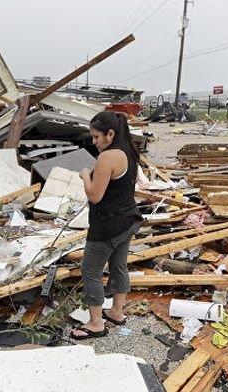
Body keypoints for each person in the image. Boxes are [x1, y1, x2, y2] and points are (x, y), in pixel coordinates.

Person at [70, 111, 142, 340]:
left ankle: (95, 323)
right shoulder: (130, 151)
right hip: (128, 220)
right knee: (119, 266)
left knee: (90, 271)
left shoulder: (107, 157)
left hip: (108, 226)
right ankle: (116, 312)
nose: (93, 142)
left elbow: (95, 196)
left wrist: (84, 177)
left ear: (110, 134)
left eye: (96, 136)